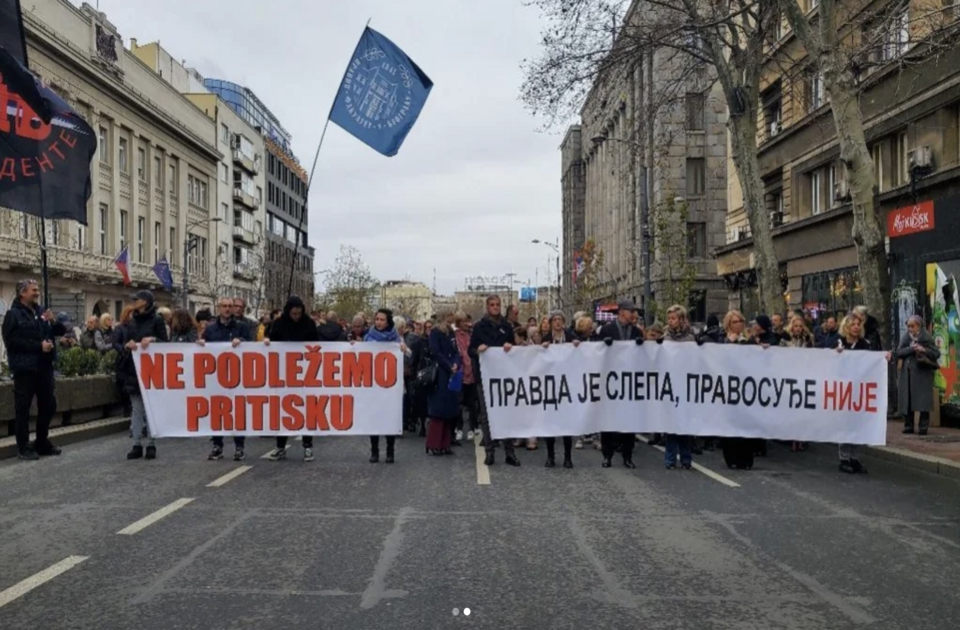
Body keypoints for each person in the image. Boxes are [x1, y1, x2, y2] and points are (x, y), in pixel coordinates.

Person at [1, 279, 68, 460]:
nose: (37, 293)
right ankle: (23, 447)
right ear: (23, 293)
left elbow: (60, 331)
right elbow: (12, 342)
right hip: (25, 369)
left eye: (38, 289)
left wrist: (53, 321)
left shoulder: (41, 312)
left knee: (49, 405)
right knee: (23, 409)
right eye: (34, 290)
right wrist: (39, 346)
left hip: (44, 368)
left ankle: (41, 442)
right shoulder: (13, 315)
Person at [263, 296, 321, 462]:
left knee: (307, 410)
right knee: (283, 410)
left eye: (299, 313)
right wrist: (267, 342)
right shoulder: (279, 324)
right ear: (288, 311)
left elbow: (316, 345)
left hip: (304, 373)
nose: (296, 316)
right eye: (294, 313)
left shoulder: (309, 324)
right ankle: (280, 446)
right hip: (284, 374)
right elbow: (272, 343)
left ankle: (308, 446)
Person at [115, 291, 169, 460]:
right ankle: (136, 444)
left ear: (145, 302)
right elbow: (126, 342)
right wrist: (128, 345)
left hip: (152, 370)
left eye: (136, 299)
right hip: (134, 369)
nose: (134, 302)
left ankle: (151, 443)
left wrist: (153, 340)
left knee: (150, 409)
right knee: (137, 409)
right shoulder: (132, 321)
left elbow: (166, 344)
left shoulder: (157, 320)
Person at [470, 295, 521, 467]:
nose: (495, 307)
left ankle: (509, 452)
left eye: (498, 304)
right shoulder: (479, 327)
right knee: (486, 416)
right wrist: (478, 350)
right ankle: (489, 451)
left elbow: (514, 349)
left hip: (503, 377)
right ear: (487, 307)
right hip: (485, 377)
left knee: (506, 412)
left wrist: (510, 347)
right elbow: (470, 349)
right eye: (492, 305)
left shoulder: (506, 327)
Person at [201, 296, 253, 461]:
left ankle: (239, 446)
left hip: (237, 376)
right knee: (217, 411)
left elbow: (252, 346)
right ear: (218, 308)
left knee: (237, 411)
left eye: (230, 306)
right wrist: (200, 344)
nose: (228, 309)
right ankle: (217, 445)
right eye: (224, 306)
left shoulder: (242, 327)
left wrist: (242, 341)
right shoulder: (210, 329)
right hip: (216, 376)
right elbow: (204, 346)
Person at [835, 314, 887, 474]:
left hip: (860, 390)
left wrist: (884, 357)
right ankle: (844, 458)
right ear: (847, 327)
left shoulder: (865, 344)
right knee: (846, 424)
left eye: (858, 324)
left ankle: (854, 457)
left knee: (858, 425)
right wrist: (835, 354)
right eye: (853, 324)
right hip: (844, 389)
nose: (856, 327)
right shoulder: (839, 343)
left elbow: (874, 361)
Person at [597, 300, 643, 469]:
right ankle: (607, 455)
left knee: (629, 420)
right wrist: (604, 344)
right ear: (622, 312)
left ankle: (627, 455)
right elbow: (595, 352)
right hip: (611, 382)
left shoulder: (636, 331)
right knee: (608, 420)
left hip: (629, 382)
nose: (634, 315)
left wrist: (643, 345)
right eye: (631, 311)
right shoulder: (607, 330)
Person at [363, 309, 408, 463]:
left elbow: (409, 356)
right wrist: (353, 347)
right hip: (373, 384)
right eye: (377, 319)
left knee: (389, 417)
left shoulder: (396, 338)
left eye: (382, 320)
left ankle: (390, 451)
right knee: (374, 417)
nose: (379, 322)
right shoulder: (368, 337)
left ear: (388, 322)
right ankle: (374, 451)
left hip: (390, 385)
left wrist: (403, 350)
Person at [541, 311, 579, 468]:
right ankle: (550, 456)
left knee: (566, 423)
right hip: (550, 386)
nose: (557, 322)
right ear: (551, 323)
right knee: (550, 423)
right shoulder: (545, 339)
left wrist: (577, 346)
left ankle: (567, 457)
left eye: (560, 319)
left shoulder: (571, 338)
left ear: (563, 322)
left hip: (567, 386)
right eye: (554, 319)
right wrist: (542, 349)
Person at [662, 305, 697, 470]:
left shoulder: (690, 338)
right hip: (670, 384)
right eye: (669, 318)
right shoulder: (666, 338)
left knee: (684, 423)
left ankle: (686, 458)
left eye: (673, 318)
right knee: (671, 424)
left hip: (685, 385)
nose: (670, 321)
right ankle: (670, 459)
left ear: (682, 319)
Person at [894, 315, 940, 435]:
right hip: (907, 375)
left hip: (922, 374)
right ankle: (908, 425)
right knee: (908, 400)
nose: (910, 329)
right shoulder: (906, 337)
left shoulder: (926, 337)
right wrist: (911, 349)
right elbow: (899, 352)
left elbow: (936, 353)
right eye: (908, 326)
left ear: (919, 326)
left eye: (912, 326)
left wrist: (923, 349)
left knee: (923, 401)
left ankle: (923, 427)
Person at [425, 310, 461, 456]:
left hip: (451, 373)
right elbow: (436, 352)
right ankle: (434, 443)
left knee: (450, 410)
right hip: (441, 373)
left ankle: (445, 443)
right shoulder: (435, 332)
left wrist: (456, 363)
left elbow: (456, 351)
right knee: (439, 411)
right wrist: (449, 365)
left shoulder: (451, 332)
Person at [781, 315, 814, 452]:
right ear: (792, 327)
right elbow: (779, 356)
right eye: (796, 326)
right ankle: (793, 438)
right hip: (790, 376)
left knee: (802, 410)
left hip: (804, 377)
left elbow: (814, 356)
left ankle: (802, 438)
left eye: (800, 326)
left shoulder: (808, 339)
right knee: (792, 409)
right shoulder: (785, 340)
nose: (798, 329)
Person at [454, 311, 479, 441]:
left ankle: (472, 428)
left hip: (472, 371)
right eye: (463, 321)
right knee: (458, 403)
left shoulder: (473, 334)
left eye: (467, 321)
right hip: (460, 371)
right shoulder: (455, 336)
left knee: (472, 403)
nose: (466, 324)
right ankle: (459, 428)